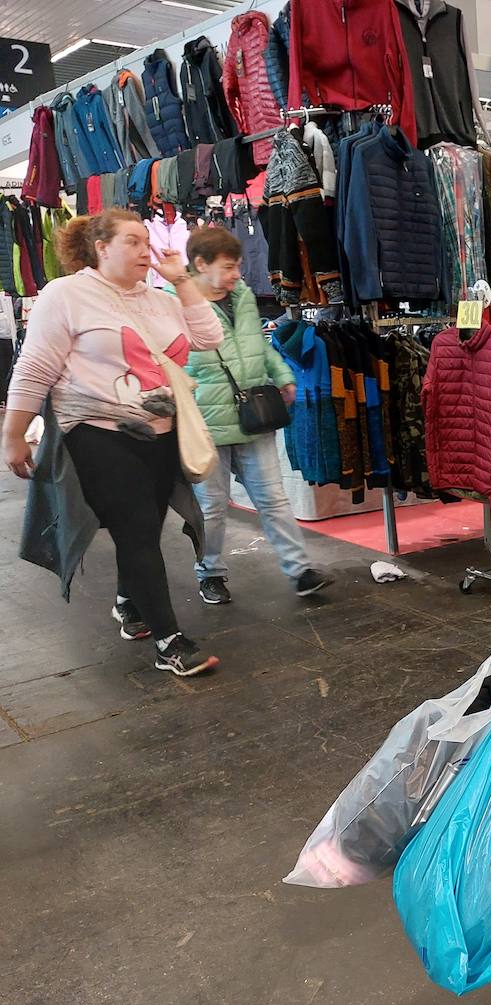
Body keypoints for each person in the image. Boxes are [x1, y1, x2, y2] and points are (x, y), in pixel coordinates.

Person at [1, 208, 224, 677]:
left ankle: (128, 602)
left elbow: (208, 336)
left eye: (148, 242)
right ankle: (169, 642)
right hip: (96, 430)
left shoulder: (160, 299)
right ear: (101, 248)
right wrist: (13, 433)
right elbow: (35, 367)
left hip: (164, 433)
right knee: (138, 527)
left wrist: (181, 281)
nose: (146, 251)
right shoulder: (66, 294)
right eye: (133, 242)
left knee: (145, 524)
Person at [182, 227, 334, 604]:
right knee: (211, 508)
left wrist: (282, 376)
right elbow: (167, 360)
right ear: (201, 264)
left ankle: (300, 571)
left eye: (236, 266)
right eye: (229, 266)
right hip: (207, 422)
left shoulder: (244, 297)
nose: (238, 273)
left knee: (273, 498)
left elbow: (260, 348)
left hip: (254, 413)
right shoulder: (175, 303)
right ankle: (210, 573)